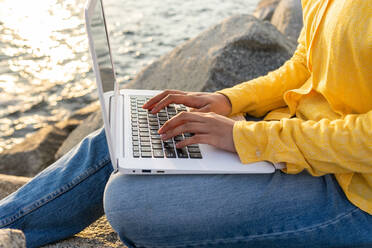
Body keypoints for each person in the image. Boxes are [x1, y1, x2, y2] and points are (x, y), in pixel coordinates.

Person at [1, 0, 371, 247]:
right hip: (299, 137)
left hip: (354, 191)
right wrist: (228, 101)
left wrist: (248, 137)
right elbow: (306, 63)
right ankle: (7, 225)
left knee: (129, 201)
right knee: (128, 129)